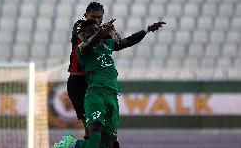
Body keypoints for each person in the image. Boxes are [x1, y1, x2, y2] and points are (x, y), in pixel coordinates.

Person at [53, 19, 165, 148]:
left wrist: (147, 30)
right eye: (92, 31)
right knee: (94, 136)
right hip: (96, 94)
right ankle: (68, 145)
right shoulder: (82, 49)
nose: (97, 32)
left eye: (97, 29)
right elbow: (90, 43)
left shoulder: (107, 44)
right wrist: (100, 32)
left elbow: (129, 41)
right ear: (84, 34)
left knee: (108, 143)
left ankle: (72, 145)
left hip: (112, 95)